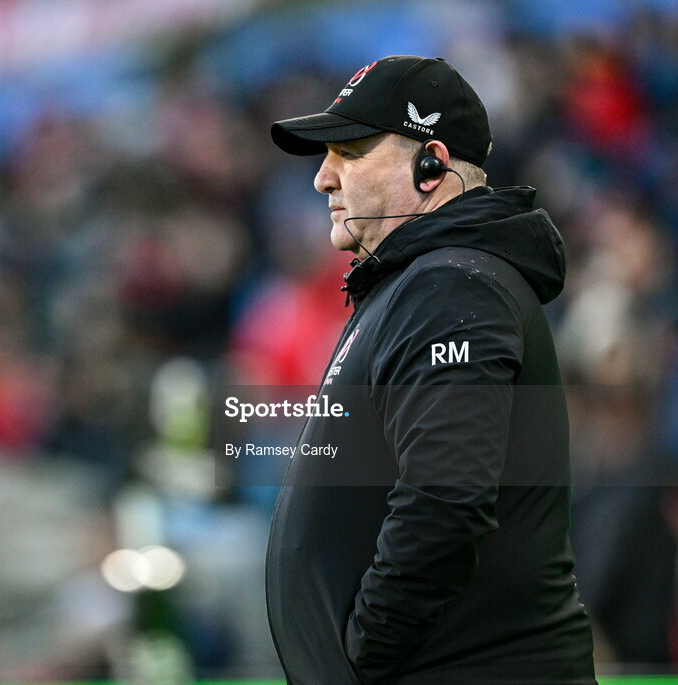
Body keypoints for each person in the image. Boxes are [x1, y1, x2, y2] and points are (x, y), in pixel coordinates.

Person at [264, 55, 597, 684]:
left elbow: (446, 495)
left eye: (350, 151)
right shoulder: (429, 282)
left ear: (431, 165)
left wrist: (368, 650)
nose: (323, 180)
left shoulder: (452, 286)